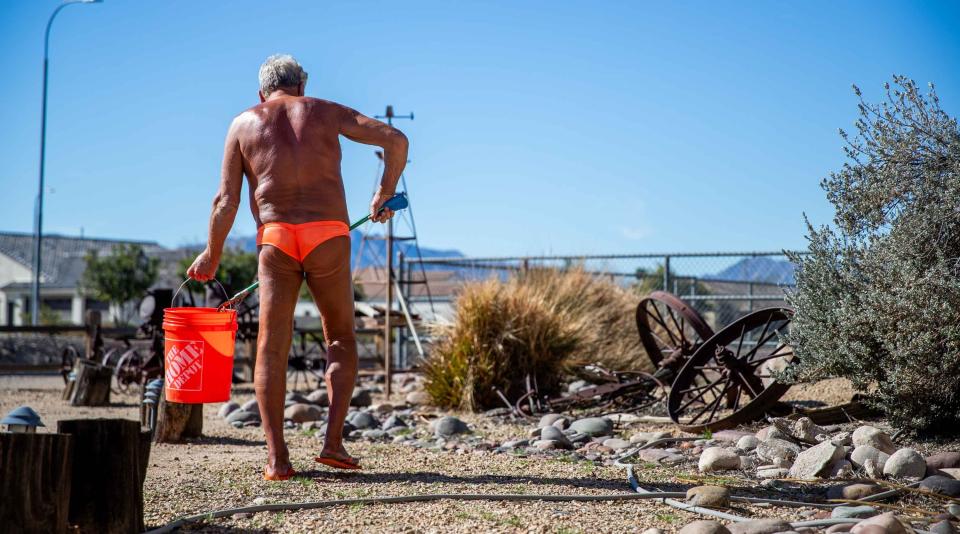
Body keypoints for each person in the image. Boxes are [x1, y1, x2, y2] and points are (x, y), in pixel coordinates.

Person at [187, 54, 408, 480]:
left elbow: (225, 202)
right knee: (340, 338)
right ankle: (332, 444)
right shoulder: (325, 111)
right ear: (302, 85)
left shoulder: (242, 124)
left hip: (277, 238)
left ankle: (277, 460)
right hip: (327, 234)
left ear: (261, 92)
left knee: (272, 347)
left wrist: (211, 255)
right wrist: (384, 192)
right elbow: (396, 141)